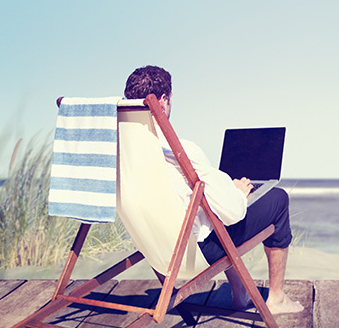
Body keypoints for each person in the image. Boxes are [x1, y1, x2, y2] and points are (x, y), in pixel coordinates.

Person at [124, 65, 303, 315]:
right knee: (277, 199)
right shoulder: (181, 151)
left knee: (212, 205)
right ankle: (276, 298)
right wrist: (239, 193)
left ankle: (240, 293)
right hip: (197, 255)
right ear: (163, 101)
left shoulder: (125, 158)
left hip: (157, 251)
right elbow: (232, 214)